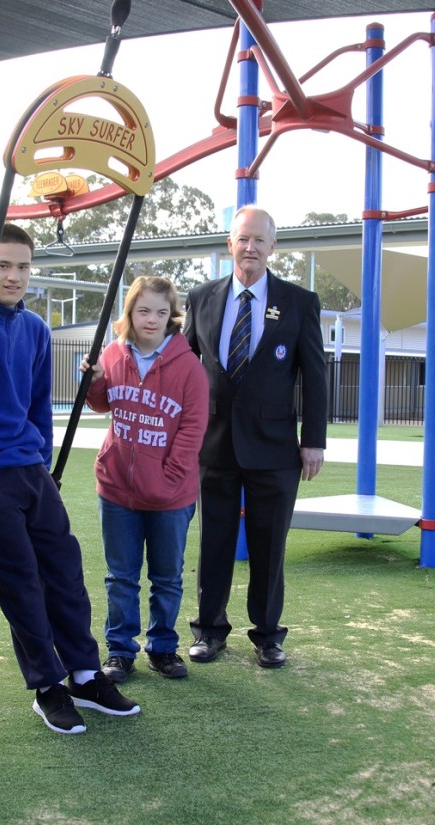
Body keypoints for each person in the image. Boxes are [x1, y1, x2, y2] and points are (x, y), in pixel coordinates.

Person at [0, 223, 140, 735]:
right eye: (2, 266)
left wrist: (43, 460)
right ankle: (48, 686)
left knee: (64, 568)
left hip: (29, 468)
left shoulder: (37, 329)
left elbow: (39, 404)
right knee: (20, 578)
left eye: (22, 266)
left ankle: (86, 674)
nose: (14, 276)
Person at [184, 204, 327, 669]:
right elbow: (182, 365)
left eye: (259, 240)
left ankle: (267, 635)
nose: (250, 248)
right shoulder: (201, 297)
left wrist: (314, 440)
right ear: (230, 244)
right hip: (214, 444)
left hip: (276, 447)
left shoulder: (300, 301)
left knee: (269, 545)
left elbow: (315, 375)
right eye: (242, 239)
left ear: (273, 247)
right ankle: (209, 630)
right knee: (215, 541)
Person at [81, 275, 208, 682]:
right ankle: (120, 650)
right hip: (117, 489)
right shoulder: (115, 353)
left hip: (170, 495)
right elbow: (102, 403)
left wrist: (169, 477)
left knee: (167, 576)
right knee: (121, 576)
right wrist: (95, 379)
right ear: (130, 314)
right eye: (143, 311)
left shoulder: (188, 365)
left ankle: (164, 647)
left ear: (172, 316)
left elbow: (192, 429)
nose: (151, 319)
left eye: (160, 312)